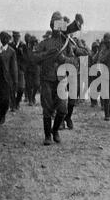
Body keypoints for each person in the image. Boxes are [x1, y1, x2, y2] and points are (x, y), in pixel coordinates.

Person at [33, 11, 83, 145]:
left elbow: (75, 62)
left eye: (61, 25)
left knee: (62, 109)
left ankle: (55, 130)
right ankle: (47, 136)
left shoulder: (67, 43)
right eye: (56, 24)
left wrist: (63, 59)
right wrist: (47, 54)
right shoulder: (45, 43)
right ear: (51, 25)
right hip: (47, 80)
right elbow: (34, 58)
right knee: (47, 109)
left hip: (61, 80)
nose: (59, 27)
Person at [97, 33, 110, 121]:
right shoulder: (103, 49)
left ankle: (109, 108)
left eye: (109, 40)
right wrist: (109, 51)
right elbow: (102, 59)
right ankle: (107, 113)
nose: (108, 42)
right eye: (107, 40)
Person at [10, 31, 28, 111]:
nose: (16, 38)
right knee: (12, 88)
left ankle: (17, 102)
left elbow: (26, 58)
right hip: (11, 69)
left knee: (21, 88)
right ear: (13, 37)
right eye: (15, 36)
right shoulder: (10, 45)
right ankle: (13, 104)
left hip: (20, 69)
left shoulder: (23, 45)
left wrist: (22, 53)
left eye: (18, 36)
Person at [25, 36, 41, 106]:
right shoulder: (27, 50)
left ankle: (33, 96)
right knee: (29, 85)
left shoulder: (38, 49)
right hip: (28, 69)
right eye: (33, 42)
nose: (34, 43)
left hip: (36, 68)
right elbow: (25, 59)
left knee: (37, 84)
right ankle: (30, 100)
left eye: (35, 42)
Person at [89, 40, 101, 107]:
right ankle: (93, 102)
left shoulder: (99, 54)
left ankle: (95, 101)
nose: (96, 48)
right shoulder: (90, 54)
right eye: (95, 47)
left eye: (97, 47)